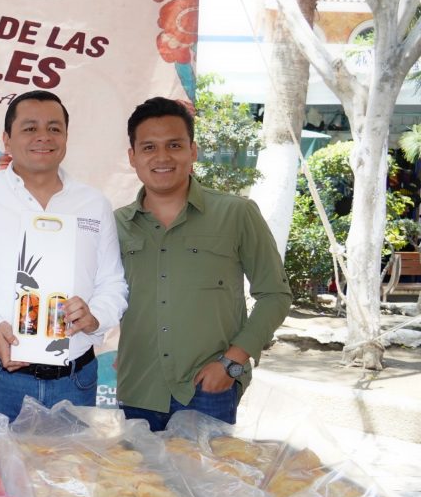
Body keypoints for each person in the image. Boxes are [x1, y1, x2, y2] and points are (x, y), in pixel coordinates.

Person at [0, 90, 128, 421]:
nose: (43, 136)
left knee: (66, 472)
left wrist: (95, 315)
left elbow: (113, 282)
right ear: (7, 140)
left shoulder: (94, 204)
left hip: (75, 380)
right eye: (30, 128)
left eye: (54, 128)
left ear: (66, 137)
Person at [114, 97, 292, 431]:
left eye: (175, 145)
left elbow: (275, 295)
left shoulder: (236, 213)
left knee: (204, 483)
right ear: (133, 157)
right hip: (139, 386)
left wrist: (232, 362)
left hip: (208, 387)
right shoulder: (116, 225)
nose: (162, 157)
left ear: (193, 151)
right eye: (149, 147)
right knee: (138, 482)